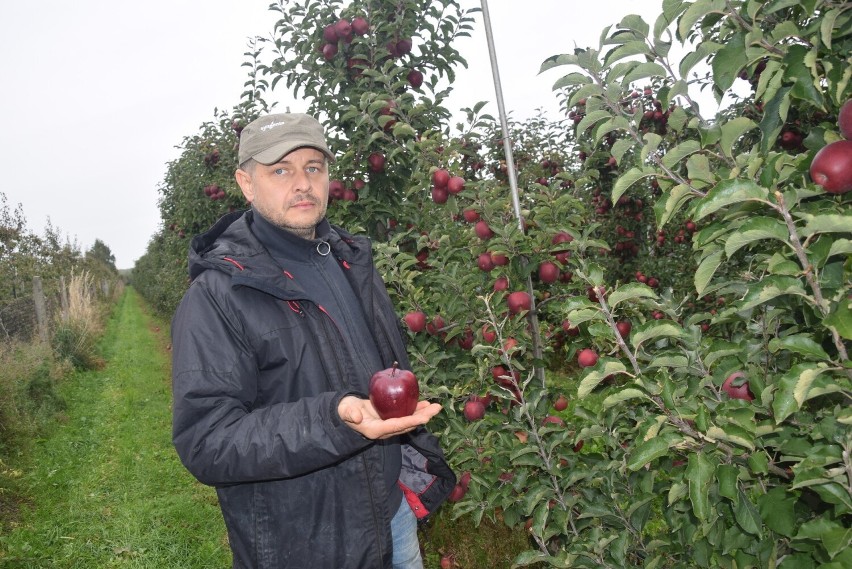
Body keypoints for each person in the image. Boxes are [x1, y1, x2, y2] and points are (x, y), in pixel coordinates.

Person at [170, 112, 456, 569]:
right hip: (306, 542)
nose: (301, 183)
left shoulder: (352, 261)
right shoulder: (219, 295)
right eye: (280, 170)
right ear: (246, 183)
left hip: (391, 516)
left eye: (313, 167)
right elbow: (207, 441)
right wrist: (335, 417)